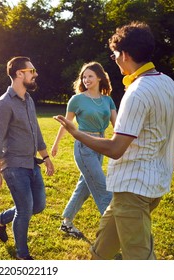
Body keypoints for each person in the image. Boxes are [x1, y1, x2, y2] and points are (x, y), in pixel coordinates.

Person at [54, 21, 174, 259]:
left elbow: (117, 148)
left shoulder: (138, 91)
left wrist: (77, 133)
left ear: (126, 55)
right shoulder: (168, 83)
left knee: (139, 261)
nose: (115, 59)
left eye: (116, 54)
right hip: (152, 185)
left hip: (134, 189)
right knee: (101, 251)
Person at [0, 56, 55, 260]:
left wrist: (46, 157)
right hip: (14, 166)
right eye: (32, 71)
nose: (35, 74)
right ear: (20, 73)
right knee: (25, 210)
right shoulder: (4, 104)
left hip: (31, 162)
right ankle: (22, 255)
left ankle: (0, 219)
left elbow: (36, 130)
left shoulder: (29, 100)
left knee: (38, 206)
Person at [51, 62, 117, 238]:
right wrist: (56, 144)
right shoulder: (77, 99)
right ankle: (114, 229)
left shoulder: (107, 100)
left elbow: (117, 126)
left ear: (99, 78)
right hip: (83, 147)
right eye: (84, 77)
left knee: (84, 187)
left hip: (100, 146)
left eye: (90, 76)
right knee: (103, 187)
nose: (86, 79)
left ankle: (66, 223)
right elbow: (67, 123)